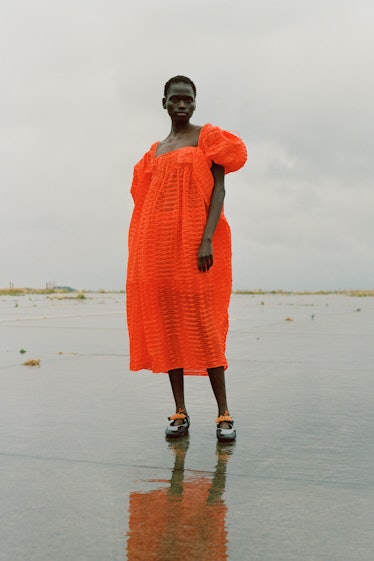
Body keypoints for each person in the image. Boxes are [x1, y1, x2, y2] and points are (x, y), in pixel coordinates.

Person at [126, 75, 247, 441]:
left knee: (204, 327)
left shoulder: (208, 139)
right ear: (164, 103)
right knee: (168, 327)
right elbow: (145, 200)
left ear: (195, 103)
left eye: (188, 100)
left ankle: (224, 412)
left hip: (197, 245)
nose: (182, 105)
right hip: (159, 249)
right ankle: (180, 411)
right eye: (176, 99)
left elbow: (220, 191)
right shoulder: (156, 151)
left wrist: (206, 238)